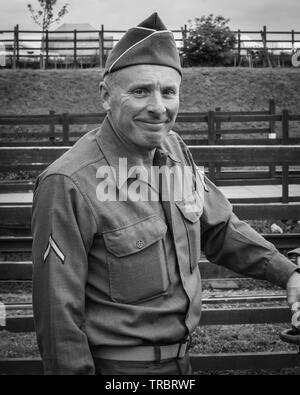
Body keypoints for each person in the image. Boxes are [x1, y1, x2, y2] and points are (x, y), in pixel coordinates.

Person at [31, 12, 300, 375]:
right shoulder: (69, 183)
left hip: (181, 365)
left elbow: (220, 229)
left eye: (168, 92)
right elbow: (58, 317)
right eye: (140, 90)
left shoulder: (174, 152)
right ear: (106, 96)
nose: (159, 107)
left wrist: (289, 273)